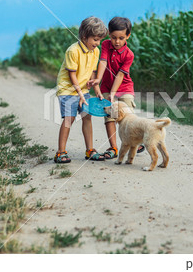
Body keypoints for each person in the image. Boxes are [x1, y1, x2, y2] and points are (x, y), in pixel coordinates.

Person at [88, 16, 144, 159]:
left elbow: (120, 76)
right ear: (109, 35)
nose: (117, 41)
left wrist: (113, 93)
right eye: (113, 37)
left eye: (121, 38)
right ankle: (113, 148)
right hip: (106, 85)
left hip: (124, 87)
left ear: (128, 36)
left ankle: (135, 143)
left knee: (128, 117)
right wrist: (98, 79)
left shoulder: (129, 55)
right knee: (109, 117)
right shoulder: (106, 45)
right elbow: (103, 61)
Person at [54, 16, 108, 163]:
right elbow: (72, 75)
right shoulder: (73, 51)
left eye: (100, 40)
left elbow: (92, 71)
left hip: (83, 89)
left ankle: (90, 149)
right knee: (69, 119)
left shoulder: (95, 51)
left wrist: (96, 89)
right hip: (68, 89)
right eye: (95, 39)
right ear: (85, 36)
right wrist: (79, 94)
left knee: (87, 116)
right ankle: (61, 152)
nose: (98, 43)